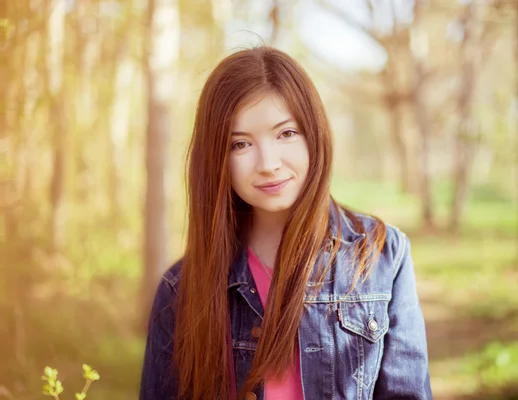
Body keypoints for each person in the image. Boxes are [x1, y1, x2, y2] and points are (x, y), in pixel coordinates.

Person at [139, 46, 432, 400]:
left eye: (286, 134)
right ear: (217, 157)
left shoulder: (382, 255)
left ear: (314, 134)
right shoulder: (181, 289)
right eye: (241, 144)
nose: (268, 163)